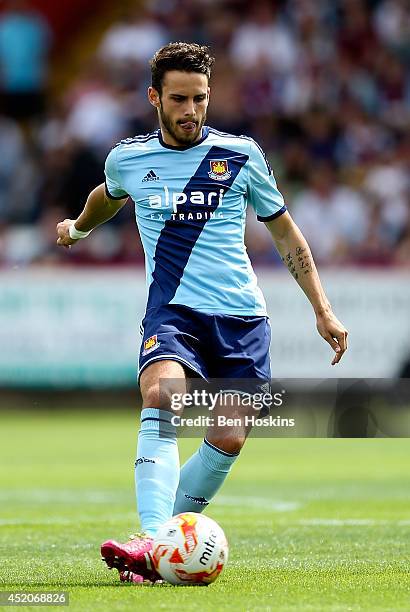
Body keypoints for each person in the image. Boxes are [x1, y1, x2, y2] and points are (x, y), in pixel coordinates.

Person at [56, 42, 348, 584]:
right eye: (180, 99)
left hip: (241, 319)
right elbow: (107, 194)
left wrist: (322, 310)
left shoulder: (241, 155)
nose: (192, 111)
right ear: (154, 98)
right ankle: (149, 540)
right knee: (160, 396)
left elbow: (283, 229)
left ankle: (160, 541)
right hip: (174, 313)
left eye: (201, 98)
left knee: (229, 437)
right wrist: (78, 227)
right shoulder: (128, 157)